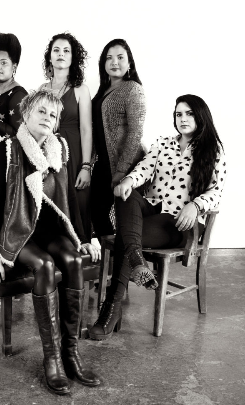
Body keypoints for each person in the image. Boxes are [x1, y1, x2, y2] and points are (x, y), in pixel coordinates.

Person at [0, 89, 101, 394]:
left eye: (53, 114)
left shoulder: (59, 148)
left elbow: (70, 198)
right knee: (45, 265)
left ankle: (71, 354)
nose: (48, 118)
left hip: (50, 231)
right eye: (41, 111)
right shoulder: (7, 149)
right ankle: (53, 359)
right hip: (18, 231)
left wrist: (84, 238)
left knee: (73, 259)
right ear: (26, 114)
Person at [89, 94, 227, 341]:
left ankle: (110, 310)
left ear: (201, 115)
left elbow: (216, 192)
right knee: (125, 194)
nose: (183, 118)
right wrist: (129, 180)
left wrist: (195, 205)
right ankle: (137, 260)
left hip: (179, 222)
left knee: (125, 237)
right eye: (178, 114)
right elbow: (143, 169)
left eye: (189, 113)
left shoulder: (213, 150)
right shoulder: (163, 143)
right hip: (151, 212)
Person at [90, 39, 146, 240]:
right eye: (109, 58)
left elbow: (135, 133)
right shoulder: (103, 90)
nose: (114, 62)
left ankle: (123, 256)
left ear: (129, 63)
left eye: (120, 57)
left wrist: (122, 170)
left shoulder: (132, 89)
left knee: (124, 219)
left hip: (126, 165)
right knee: (95, 211)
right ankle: (111, 254)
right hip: (103, 163)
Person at [40, 32, 93, 240]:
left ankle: (82, 251)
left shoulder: (80, 89)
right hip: (49, 157)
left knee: (78, 206)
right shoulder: (42, 90)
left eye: (66, 50)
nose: (61, 54)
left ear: (73, 58)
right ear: (50, 57)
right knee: (51, 208)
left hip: (75, 156)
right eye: (56, 50)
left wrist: (86, 166)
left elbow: (86, 129)